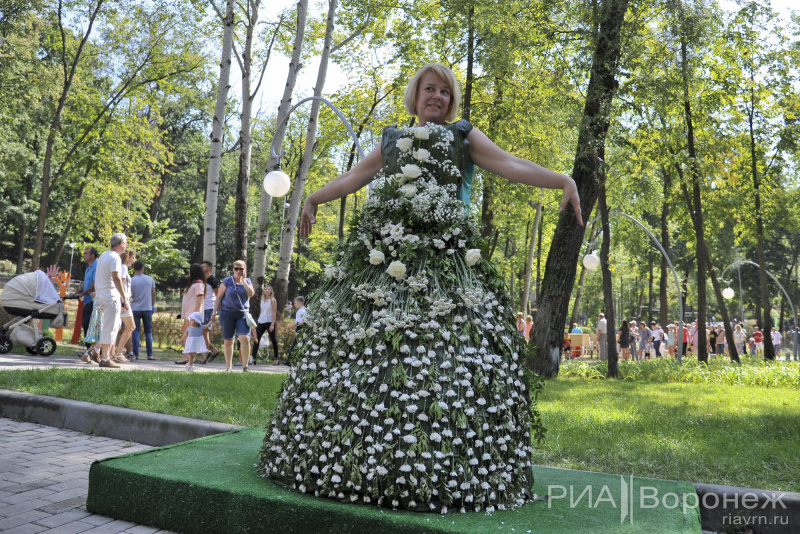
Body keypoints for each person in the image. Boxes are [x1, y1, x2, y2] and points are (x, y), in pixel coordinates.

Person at [258, 63, 583, 512]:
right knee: (376, 350)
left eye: (446, 93)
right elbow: (356, 176)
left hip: (448, 266)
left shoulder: (463, 138)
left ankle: (446, 461)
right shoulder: (392, 139)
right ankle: (355, 456)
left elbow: (508, 164)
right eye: (431, 90)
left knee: (445, 355)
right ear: (415, 96)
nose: (438, 98)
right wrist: (314, 197)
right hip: (384, 264)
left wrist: (562, 179)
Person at [211, 260, 255, 372]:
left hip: (242, 314)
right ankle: (229, 367)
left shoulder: (248, 281)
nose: (239, 271)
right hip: (227, 313)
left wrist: (244, 280)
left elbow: (250, 294)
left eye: (241, 269)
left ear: (245, 269)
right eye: (236, 268)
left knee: (244, 338)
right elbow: (219, 297)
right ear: (233, 269)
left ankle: (245, 366)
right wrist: (214, 312)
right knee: (228, 340)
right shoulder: (227, 281)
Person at [93, 233, 128, 368]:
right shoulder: (115, 258)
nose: (126, 246)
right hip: (110, 296)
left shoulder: (103, 255)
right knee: (111, 327)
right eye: (125, 243)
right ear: (121, 244)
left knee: (108, 326)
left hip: (101, 295)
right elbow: (116, 277)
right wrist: (124, 298)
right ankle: (105, 358)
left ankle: (97, 350)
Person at [176, 264, 206, 365]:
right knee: (188, 333)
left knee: (189, 335)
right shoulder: (194, 284)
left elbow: (199, 298)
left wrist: (195, 314)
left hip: (192, 314)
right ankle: (198, 355)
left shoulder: (198, 284)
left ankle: (186, 356)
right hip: (189, 314)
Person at [71, 247, 98, 357]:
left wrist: (84, 293)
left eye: (86, 253)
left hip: (94, 300)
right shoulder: (88, 267)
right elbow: (86, 282)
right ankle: (89, 351)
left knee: (89, 325)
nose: (83, 255)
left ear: (92, 256)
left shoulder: (96, 266)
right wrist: (79, 291)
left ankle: (90, 351)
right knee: (86, 325)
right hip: (87, 300)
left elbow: (95, 283)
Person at [113, 249, 136, 363]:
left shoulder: (120, 267)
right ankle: (118, 352)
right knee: (131, 326)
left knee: (116, 327)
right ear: (128, 257)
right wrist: (124, 301)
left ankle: (112, 353)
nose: (134, 260)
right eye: (133, 258)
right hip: (123, 301)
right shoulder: (124, 267)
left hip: (121, 300)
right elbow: (121, 284)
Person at [130, 260, 156, 360]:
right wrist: (152, 304)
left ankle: (136, 354)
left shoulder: (132, 280)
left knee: (135, 331)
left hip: (135, 308)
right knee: (148, 332)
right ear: (142, 268)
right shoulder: (150, 279)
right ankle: (150, 354)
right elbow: (153, 293)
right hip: (147, 307)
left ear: (134, 269)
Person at [253, 284, 280, 365]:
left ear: (271, 291)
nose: (267, 291)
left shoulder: (273, 300)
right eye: (266, 289)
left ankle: (276, 358)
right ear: (263, 291)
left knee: (273, 340)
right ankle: (253, 358)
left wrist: (272, 324)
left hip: (269, 321)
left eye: (269, 289)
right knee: (256, 338)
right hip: (261, 321)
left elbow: (274, 312)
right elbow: (262, 311)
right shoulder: (262, 299)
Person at [200, 261, 221, 363]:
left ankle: (205, 355)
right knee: (200, 331)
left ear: (209, 268)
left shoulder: (213, 280)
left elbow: (218, 295)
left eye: (203, 266)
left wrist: (215, 310)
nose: (201, 268)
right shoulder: (200, 279)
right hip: (201, 308)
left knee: (205, 331)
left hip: (209, 307)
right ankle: (213, 350)